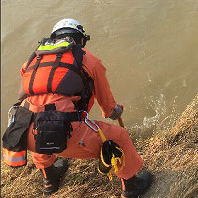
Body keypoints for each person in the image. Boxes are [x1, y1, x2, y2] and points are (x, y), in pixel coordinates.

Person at [9, 18, 152, 197]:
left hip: (23, 132)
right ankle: (131, 186)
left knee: (38, 122)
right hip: (64, 132)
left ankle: (50, 179)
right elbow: (107, 105)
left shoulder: (31, 61)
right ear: (81, 40)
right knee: (119, 137)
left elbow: (28, 94)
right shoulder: (89, 60)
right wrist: (113, 111)